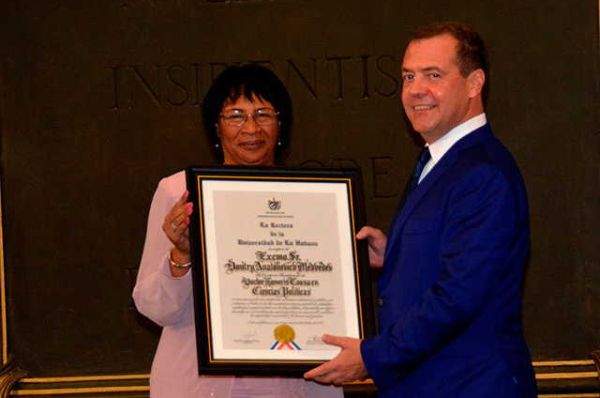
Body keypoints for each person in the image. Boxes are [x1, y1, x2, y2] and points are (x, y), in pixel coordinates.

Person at [304, 22, 537, 397]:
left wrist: (370, 356)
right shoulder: (440, 160)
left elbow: (458, 297)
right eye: (408, 76)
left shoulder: (482, 173)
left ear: (474, 83)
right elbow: (450, 258)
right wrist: (395, 251)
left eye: (434, 75)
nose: (416, 90)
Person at [133, 64, 342, 398]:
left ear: (281, 124)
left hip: (296, 383)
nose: (251, 127)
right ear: (216, 127)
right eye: (235, 115)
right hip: (198, 385)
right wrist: (182, 255)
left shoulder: (314, 198)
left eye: (263, 114)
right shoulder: (180, 192)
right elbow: (156, 309)